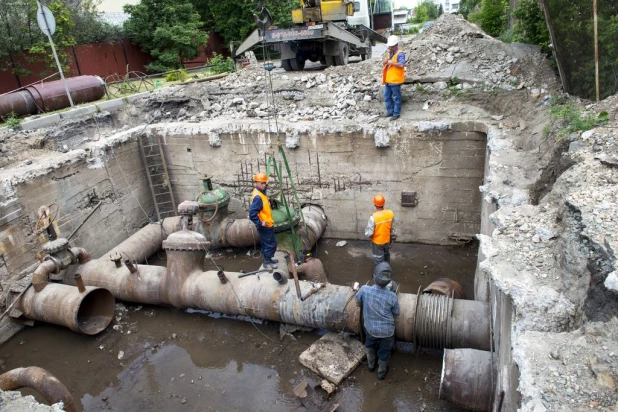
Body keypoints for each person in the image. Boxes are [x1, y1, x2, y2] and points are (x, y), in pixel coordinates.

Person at [355, 262, 400, 380]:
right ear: (389, 281)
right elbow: (396, 313)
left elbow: (357, 302)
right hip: (387, 332)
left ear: (374, 277)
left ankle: (370, 365)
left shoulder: (364, 290)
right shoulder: (392, 296)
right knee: (385, 351)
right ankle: (381, 373)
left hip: (370, 328)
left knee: (370, 344)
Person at [249, 172, 278, 268]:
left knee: (267, 243)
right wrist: (260, 223)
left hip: (267, 224)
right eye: (262, 183)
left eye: (265, 183)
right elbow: (252, 214)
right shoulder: (258, 197)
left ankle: (268, 259)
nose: (264, 185)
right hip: (264, 226)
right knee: (271, 244)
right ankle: (267, 262)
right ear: (257, 183)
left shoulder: (261, 193)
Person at [365, 194, 396, 264]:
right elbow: (393, 229)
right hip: (387, 240)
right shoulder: (390, 213)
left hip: (377, 242)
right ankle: (387, 270)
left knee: (378, 258)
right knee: (386, 255)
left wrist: (368, 235)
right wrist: (393, 239)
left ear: (374, 204)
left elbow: (369, 233)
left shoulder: (373, 217)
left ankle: (381, 273)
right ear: (384, 203)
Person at [382, 35, 406, 121]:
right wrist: (385, 62)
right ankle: (390, 112)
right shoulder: (390, 54)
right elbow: (387, 64)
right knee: (387, 97)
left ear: (396, 45)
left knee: (396, 97)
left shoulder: (400, 54)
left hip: (395, 80)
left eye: (391, 46)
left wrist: (392, 63)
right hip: (388, 80)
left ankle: (396, 113)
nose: (389, 48)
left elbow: (401, 64)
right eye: (389, 46)